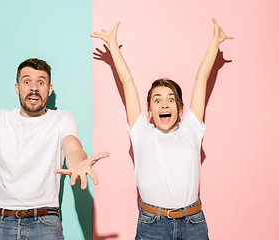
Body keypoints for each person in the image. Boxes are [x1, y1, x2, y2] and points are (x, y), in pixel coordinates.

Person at [0, 58, 109, 240]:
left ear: (49, 89)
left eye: (40, 82)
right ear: (17, 88)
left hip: (45, 222)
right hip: (0, 221)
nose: (34, 88)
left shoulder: (62, 119)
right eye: (27, 81)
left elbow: (73, 149)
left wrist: (78, 163)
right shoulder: (0, 119)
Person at [91, 19, 232, 239]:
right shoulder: (141, 132)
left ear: (180, 107)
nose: (164, 104)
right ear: (148, 108)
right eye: (157, 100)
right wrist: (112, 45)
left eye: (170, 100)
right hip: (152, 225)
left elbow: (201, 79)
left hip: (193, 223)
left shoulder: (191, 129)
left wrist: (215, 42)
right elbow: (127, 82)